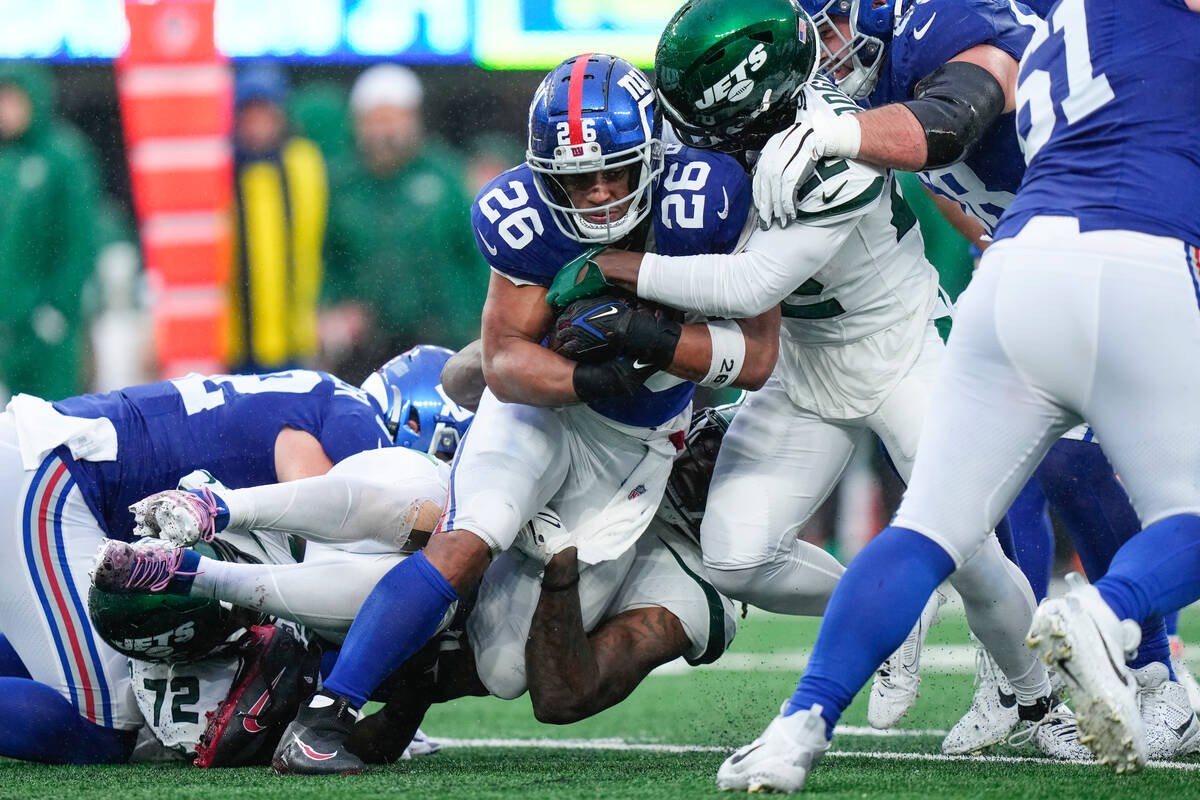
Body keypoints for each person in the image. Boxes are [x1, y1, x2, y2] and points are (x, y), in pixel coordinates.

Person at [574, 0, 1078, 757]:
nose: (691, 140)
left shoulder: (830, 134)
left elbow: (751, 286)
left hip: (903, 351)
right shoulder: (709, 133)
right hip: (805, 368)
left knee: (969, 550)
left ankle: (1041, 705)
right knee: (738, 555)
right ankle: (889, 607)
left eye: (706, 120)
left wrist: (622, 269)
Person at [716, 0, 1200, 789]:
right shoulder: (972, 32)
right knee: (1184, 511)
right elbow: (957, 119)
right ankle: (1120, 631)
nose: (827, 51)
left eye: (833, 28)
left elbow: (953, 136)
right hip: (1133, 256)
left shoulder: (1033, 30)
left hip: (1017, 271)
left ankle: (797, 726)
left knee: (930, 525)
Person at [268, 52, 781, 776]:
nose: (600, 194)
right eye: (579, 177)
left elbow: (757, 358)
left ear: (655, 159)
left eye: (616, 171)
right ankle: (328, 712)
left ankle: (410, 683)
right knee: (470, 536)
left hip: (634, 448)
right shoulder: (524, 216)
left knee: (509, 669)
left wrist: (649, 337)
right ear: (545, 173)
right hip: (544, 408)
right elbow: (505, 360)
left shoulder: (709, 196)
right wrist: (594, 373)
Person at [93, 403, 738, 768]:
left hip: (376, 616)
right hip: (396, 515)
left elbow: (561, 694)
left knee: (497, 658)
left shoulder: (699, 593)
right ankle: (223, 513)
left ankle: (204, 576)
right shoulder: (629, 426)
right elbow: (469, 372)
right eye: (710, 447)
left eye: (726, 471)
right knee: (433, 511)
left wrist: (561, 572)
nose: (705, 468)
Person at [0, 364, 395, 764]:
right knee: (102, 729)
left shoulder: (330, 399)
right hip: (51, 474)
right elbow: (324, 554)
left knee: (67, 657)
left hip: (52, 464)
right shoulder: (362, 431)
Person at [322, 65, 487, 380]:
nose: (385, 131)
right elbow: (326, 258)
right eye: (375, 120)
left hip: (440, 339)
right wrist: (332, 308)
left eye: (393, 118)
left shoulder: (445, 174)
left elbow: (475, 254)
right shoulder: (341, 182)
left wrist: (478, 323)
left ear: (413, 119)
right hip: (364, 346)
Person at [0, 61, 100, 401]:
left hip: (47, 322)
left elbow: (80, 239)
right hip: (8, 324)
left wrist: (60, 304)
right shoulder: (6, 162)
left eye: (13, 100)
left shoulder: (63, 156)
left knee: (54, 419)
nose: (5, 111)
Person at [227, 62, 327, 374]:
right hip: (232, 341)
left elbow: (322, 243)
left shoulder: (303, 163)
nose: (258, 125)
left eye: (266, 112)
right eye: (250, 113)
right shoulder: (223, 168)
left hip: (292, 337)